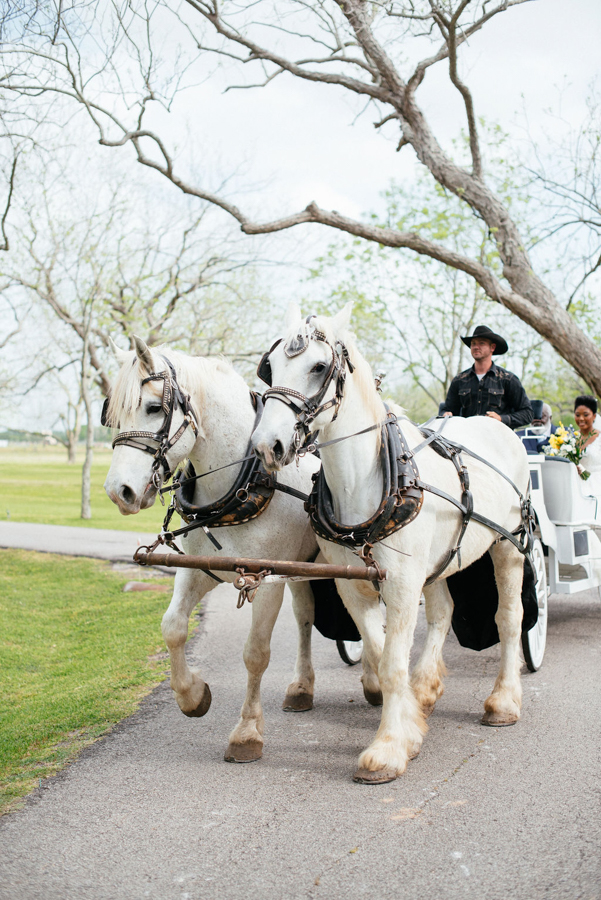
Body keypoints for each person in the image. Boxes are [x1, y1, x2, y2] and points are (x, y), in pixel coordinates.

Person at [440, 324, 533, 429]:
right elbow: (447, 410)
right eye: (473, 343)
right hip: (466, 438)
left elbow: (527, 413)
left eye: (481, 343)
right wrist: (446, 414)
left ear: (492, 347)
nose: (476, 347)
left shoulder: (508, 379)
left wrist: (501, 419)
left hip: (498, 438)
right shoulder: (459, 380)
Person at [575, 395, 601, 495]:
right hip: (577, 485)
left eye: (586, 415)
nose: (581, 419)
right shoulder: (570, 438)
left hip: (597, 486)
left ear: (594, 416)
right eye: (577, 415)